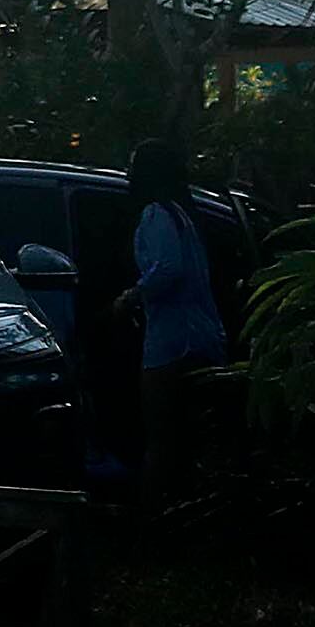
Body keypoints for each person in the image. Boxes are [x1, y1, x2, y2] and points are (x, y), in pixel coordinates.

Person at [124, 138, 229, 512]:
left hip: (172, 342)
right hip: (200, 337)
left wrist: (131, 297)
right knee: (191, 436)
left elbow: (167, 269)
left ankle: (151, 521)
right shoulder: (182, 215)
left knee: (161, 438)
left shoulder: (156, 215)